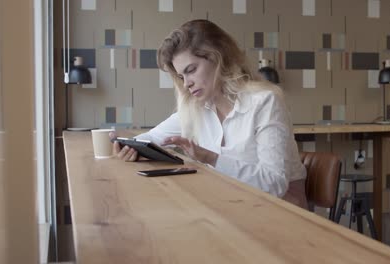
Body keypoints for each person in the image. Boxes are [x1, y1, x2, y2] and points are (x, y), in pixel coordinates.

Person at [112, 19, 308, 208]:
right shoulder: (197, 108)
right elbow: (151, 139)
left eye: (191, 70)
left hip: (280, 215)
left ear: (217, 58)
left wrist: (210, 158)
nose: (186, 83)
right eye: (181, 76)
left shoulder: (265, 102)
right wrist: (125, 147)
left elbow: (274, 184)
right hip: (232, 207)